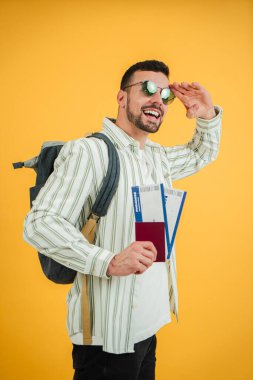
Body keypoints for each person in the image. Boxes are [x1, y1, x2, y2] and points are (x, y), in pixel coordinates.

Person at [23, 60, 222, 380]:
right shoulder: (89, 152)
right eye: (147, 89)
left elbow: (201, 153)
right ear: (121, 97)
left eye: (165, 95)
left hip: (148, 324)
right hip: (108, 339)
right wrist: (109, 261)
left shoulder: (155, 157)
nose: (158, 99)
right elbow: (40, 222)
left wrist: (206, 115)